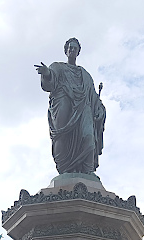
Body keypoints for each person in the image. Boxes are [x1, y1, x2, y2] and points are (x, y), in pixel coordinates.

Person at [35, 38, 106, 174]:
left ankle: (88, 172)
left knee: (89, 137)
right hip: (64, 103)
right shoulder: (58, 67)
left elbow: (93, 96)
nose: (72, 50)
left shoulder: (85, 75)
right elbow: (51, 82)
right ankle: (64, 170)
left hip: (83, 107)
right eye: (70, 48)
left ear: (78, 52)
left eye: (75, 48)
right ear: (66, 51)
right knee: (62, 136)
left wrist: (100, 109)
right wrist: (47, 73)